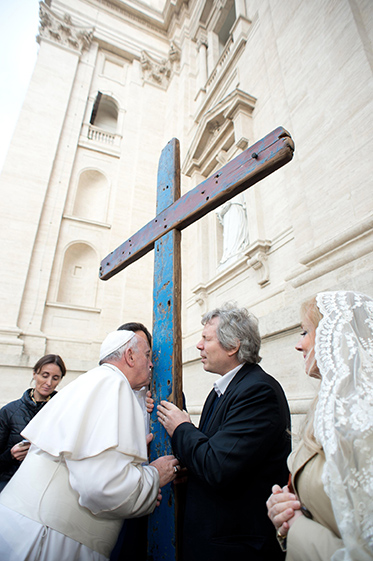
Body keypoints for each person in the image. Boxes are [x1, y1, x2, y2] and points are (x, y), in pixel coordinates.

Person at [0, 330, 179, 561]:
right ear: (130, 356)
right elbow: (102, 487)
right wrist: (154, 476)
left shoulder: (95, 381)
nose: (152, 363)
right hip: (49, 542)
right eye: (147, 354)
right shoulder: (114, 385)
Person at [157, 302, 291, 561]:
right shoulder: (222, 390)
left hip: (235, 547)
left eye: (206, 339)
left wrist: (181, 428)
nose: (198, 346)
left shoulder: (258, 392)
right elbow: (215, 450)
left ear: (233, 346)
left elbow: (218, 466)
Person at [266, 290, 373, 560]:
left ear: (333, 336)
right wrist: (285, 511)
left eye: (305, 332)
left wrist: (297, 528)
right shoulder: (327, 406)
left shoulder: (362, 419)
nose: (298, 345)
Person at [0, 354, 66, 491]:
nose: (48, 383)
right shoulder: (9, 412)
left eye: (55, 378)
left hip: (45, 486)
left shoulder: (64, 413)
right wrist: (11, 455)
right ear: (34, 374)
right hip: (10, 484)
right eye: (44, 375)